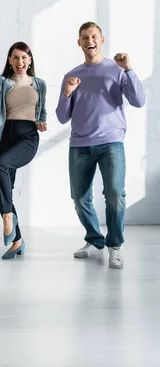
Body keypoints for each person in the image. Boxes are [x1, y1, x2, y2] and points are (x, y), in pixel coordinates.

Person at [56, 21, 145, 269]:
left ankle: (114, 245)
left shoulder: (116, 70)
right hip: (80, 145)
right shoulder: (72, 75)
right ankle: (95, 241)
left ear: (101, 39)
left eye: (93, 36)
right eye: (84, 37)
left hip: (111, 142)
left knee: (115, 195)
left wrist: (128, 69)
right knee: (79, 197)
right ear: (79, 43)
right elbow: (63, 117)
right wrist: (66, 93)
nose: (89, 40)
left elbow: (138, 101)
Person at [0, 42, 47, 259]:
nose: (20, 62)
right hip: (5, 137)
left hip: (27, 137)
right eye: (15, 58)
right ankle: (17, 241)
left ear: (30, 60)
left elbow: (42, 110)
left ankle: (7, 218)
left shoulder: (39, 84)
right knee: (4, 189)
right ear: (9, 61)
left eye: (24, 58)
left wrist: (42, 121)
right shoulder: (3, 82)